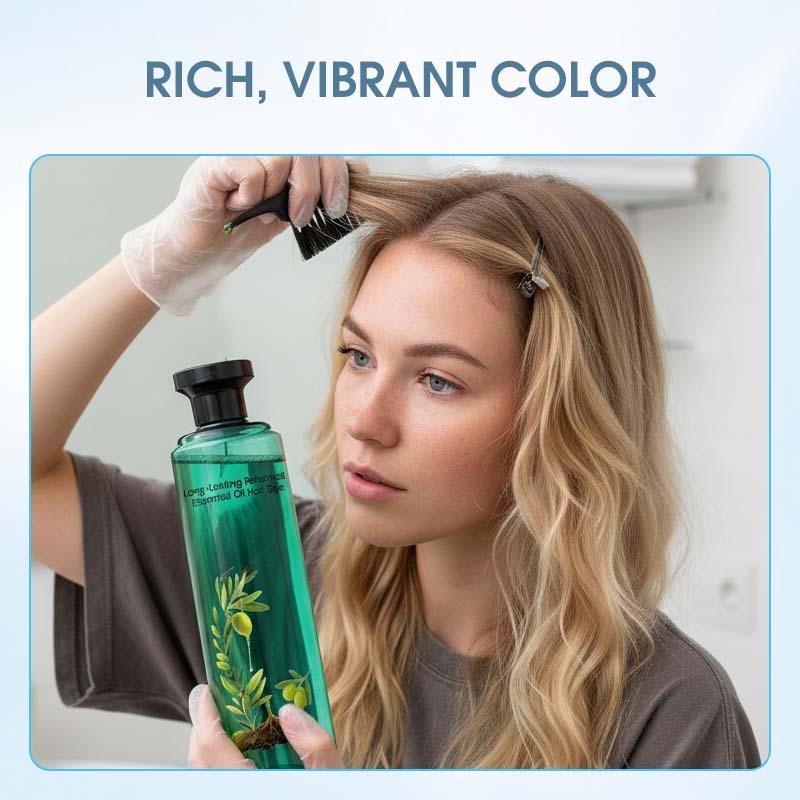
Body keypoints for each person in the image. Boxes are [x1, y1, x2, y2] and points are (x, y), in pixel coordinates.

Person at [32, 156, 761, 769]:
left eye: (437, 379)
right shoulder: (269, 581)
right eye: (358, 355)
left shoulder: (671, 716)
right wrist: (160, 261)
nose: (363, 420)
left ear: (559, 416)